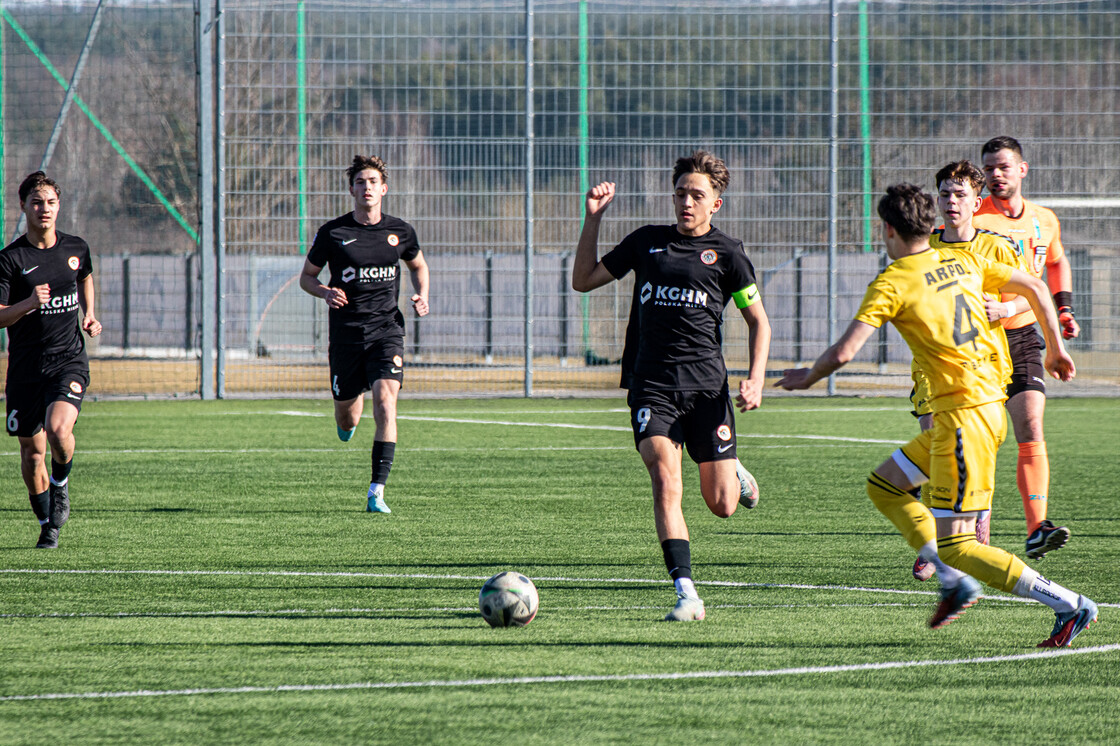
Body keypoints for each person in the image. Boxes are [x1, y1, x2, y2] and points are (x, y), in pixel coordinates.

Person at [778, 183, 1096, 647]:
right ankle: (953, 581)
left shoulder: (894, 280)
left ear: (886, 229)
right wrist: (1056, 349)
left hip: (964, 418)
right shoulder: (962, 259)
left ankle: (1068, 604)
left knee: (960, 546)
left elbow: (845, 352)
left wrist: (806, 377)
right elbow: (1031, 282)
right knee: (885, 485)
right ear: (931, 225)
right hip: (975, 410)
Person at [571, 150, 771, 622]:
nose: (686, 202)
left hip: (707, 391)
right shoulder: (646, 242)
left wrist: (756, 378)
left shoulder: (728, 255)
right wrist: (592, 220)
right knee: (665, 479)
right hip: (652, 386)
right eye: (680, 193)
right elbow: (583, 281)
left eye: (697, 195)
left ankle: (733, 468)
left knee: (722, 506)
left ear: (716, 204)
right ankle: (686, 592)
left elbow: (758, 322)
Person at [909, 160, 1027, 581]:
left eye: (959, 194)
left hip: (985, 370)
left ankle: (977, 533)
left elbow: (1031, 295)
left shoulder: (995, 247)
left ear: (977, 202)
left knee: (977, 455)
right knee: (933, 447)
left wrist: (1006, 307)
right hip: (932, 368)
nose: (950, 201)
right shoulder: (925, 246)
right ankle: (935, 542)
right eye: (944, 194)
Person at [299, 155, 430, 514]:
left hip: (386, 331)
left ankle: (377, 491)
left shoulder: (400, 231)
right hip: (346, 336)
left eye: (373, 181)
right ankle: (347, 412)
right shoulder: (333, 233)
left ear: (383, 189)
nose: (367, 187)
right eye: (360, 181)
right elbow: (306, 277)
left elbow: (418, 265)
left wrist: (422, 294)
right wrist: (325, 291)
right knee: (348, 418)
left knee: (386, 402)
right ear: (351, 189)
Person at [971, 136, 1076, 561]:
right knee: (977, 438)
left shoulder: (1043, 219)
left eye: (1003, 167)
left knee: (1031, 425)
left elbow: (1053, 261)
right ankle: (960, 524)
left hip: (1023, 334)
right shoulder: (972, 215)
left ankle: (1037, 529)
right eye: (989, 169)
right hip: (978, 341)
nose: (996, 175)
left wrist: (1063, 307)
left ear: (1022, 169)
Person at [0, 171, 102, 549]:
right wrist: (28, 303)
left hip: (68, 360)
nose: (45, 209)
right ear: (23, 206)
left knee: (59, 432)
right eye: (37, 202)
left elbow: (85, 275)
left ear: (59, 206)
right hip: (26, 369)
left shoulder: (75, 248)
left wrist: (89, 313)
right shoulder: (10, 260)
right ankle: (46, 523)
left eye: (51, 203)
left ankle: (61, 484)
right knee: (31, 454)